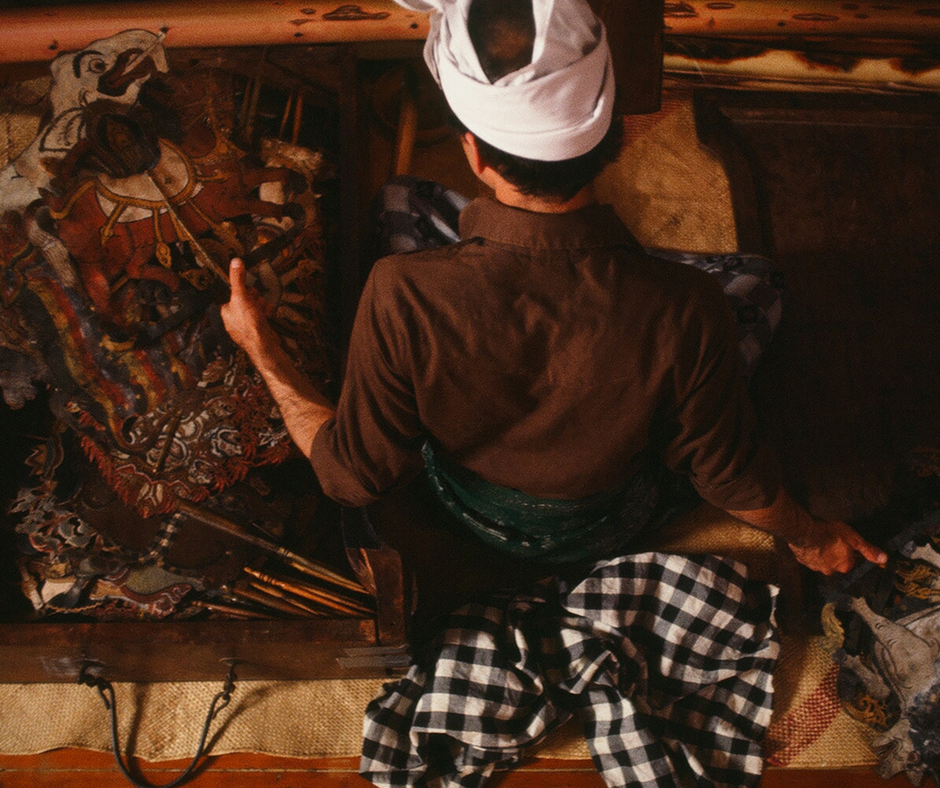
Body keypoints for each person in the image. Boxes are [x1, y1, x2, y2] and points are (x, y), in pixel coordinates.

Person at [221, 0, 891, 784]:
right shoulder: (685, 306)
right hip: (613, 519)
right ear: (609, 143)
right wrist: (811, 536)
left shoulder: (400, 292)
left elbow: (348, 476)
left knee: (401, 201)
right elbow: (732, 479)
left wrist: (262, 348)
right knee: (758, 281)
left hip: (471, 517)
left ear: (473, 154)